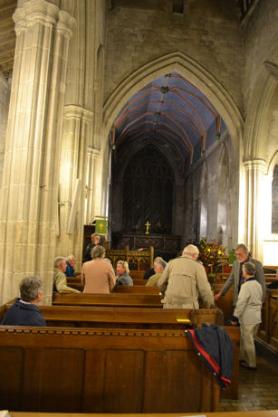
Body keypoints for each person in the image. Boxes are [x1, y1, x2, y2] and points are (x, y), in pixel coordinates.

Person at [158, 244, 214, 309]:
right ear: (194, 255)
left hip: (169, 305)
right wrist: (210, 306)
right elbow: (205, 290)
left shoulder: (171, 263)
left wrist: (166, 295)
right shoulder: (198, 266)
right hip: (188, 307)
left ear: (183, 253)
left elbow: (160, 284)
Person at [231, 262, 263, 370]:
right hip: (257, 316)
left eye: (243, 270)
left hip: (248, 317)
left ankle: (252, 364)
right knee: (248, 339)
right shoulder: (258, 284)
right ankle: (243, 358)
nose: (241, 271)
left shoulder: (246, 286)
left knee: (248, 341)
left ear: (246, 271)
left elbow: (241, 303)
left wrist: (235, 316)